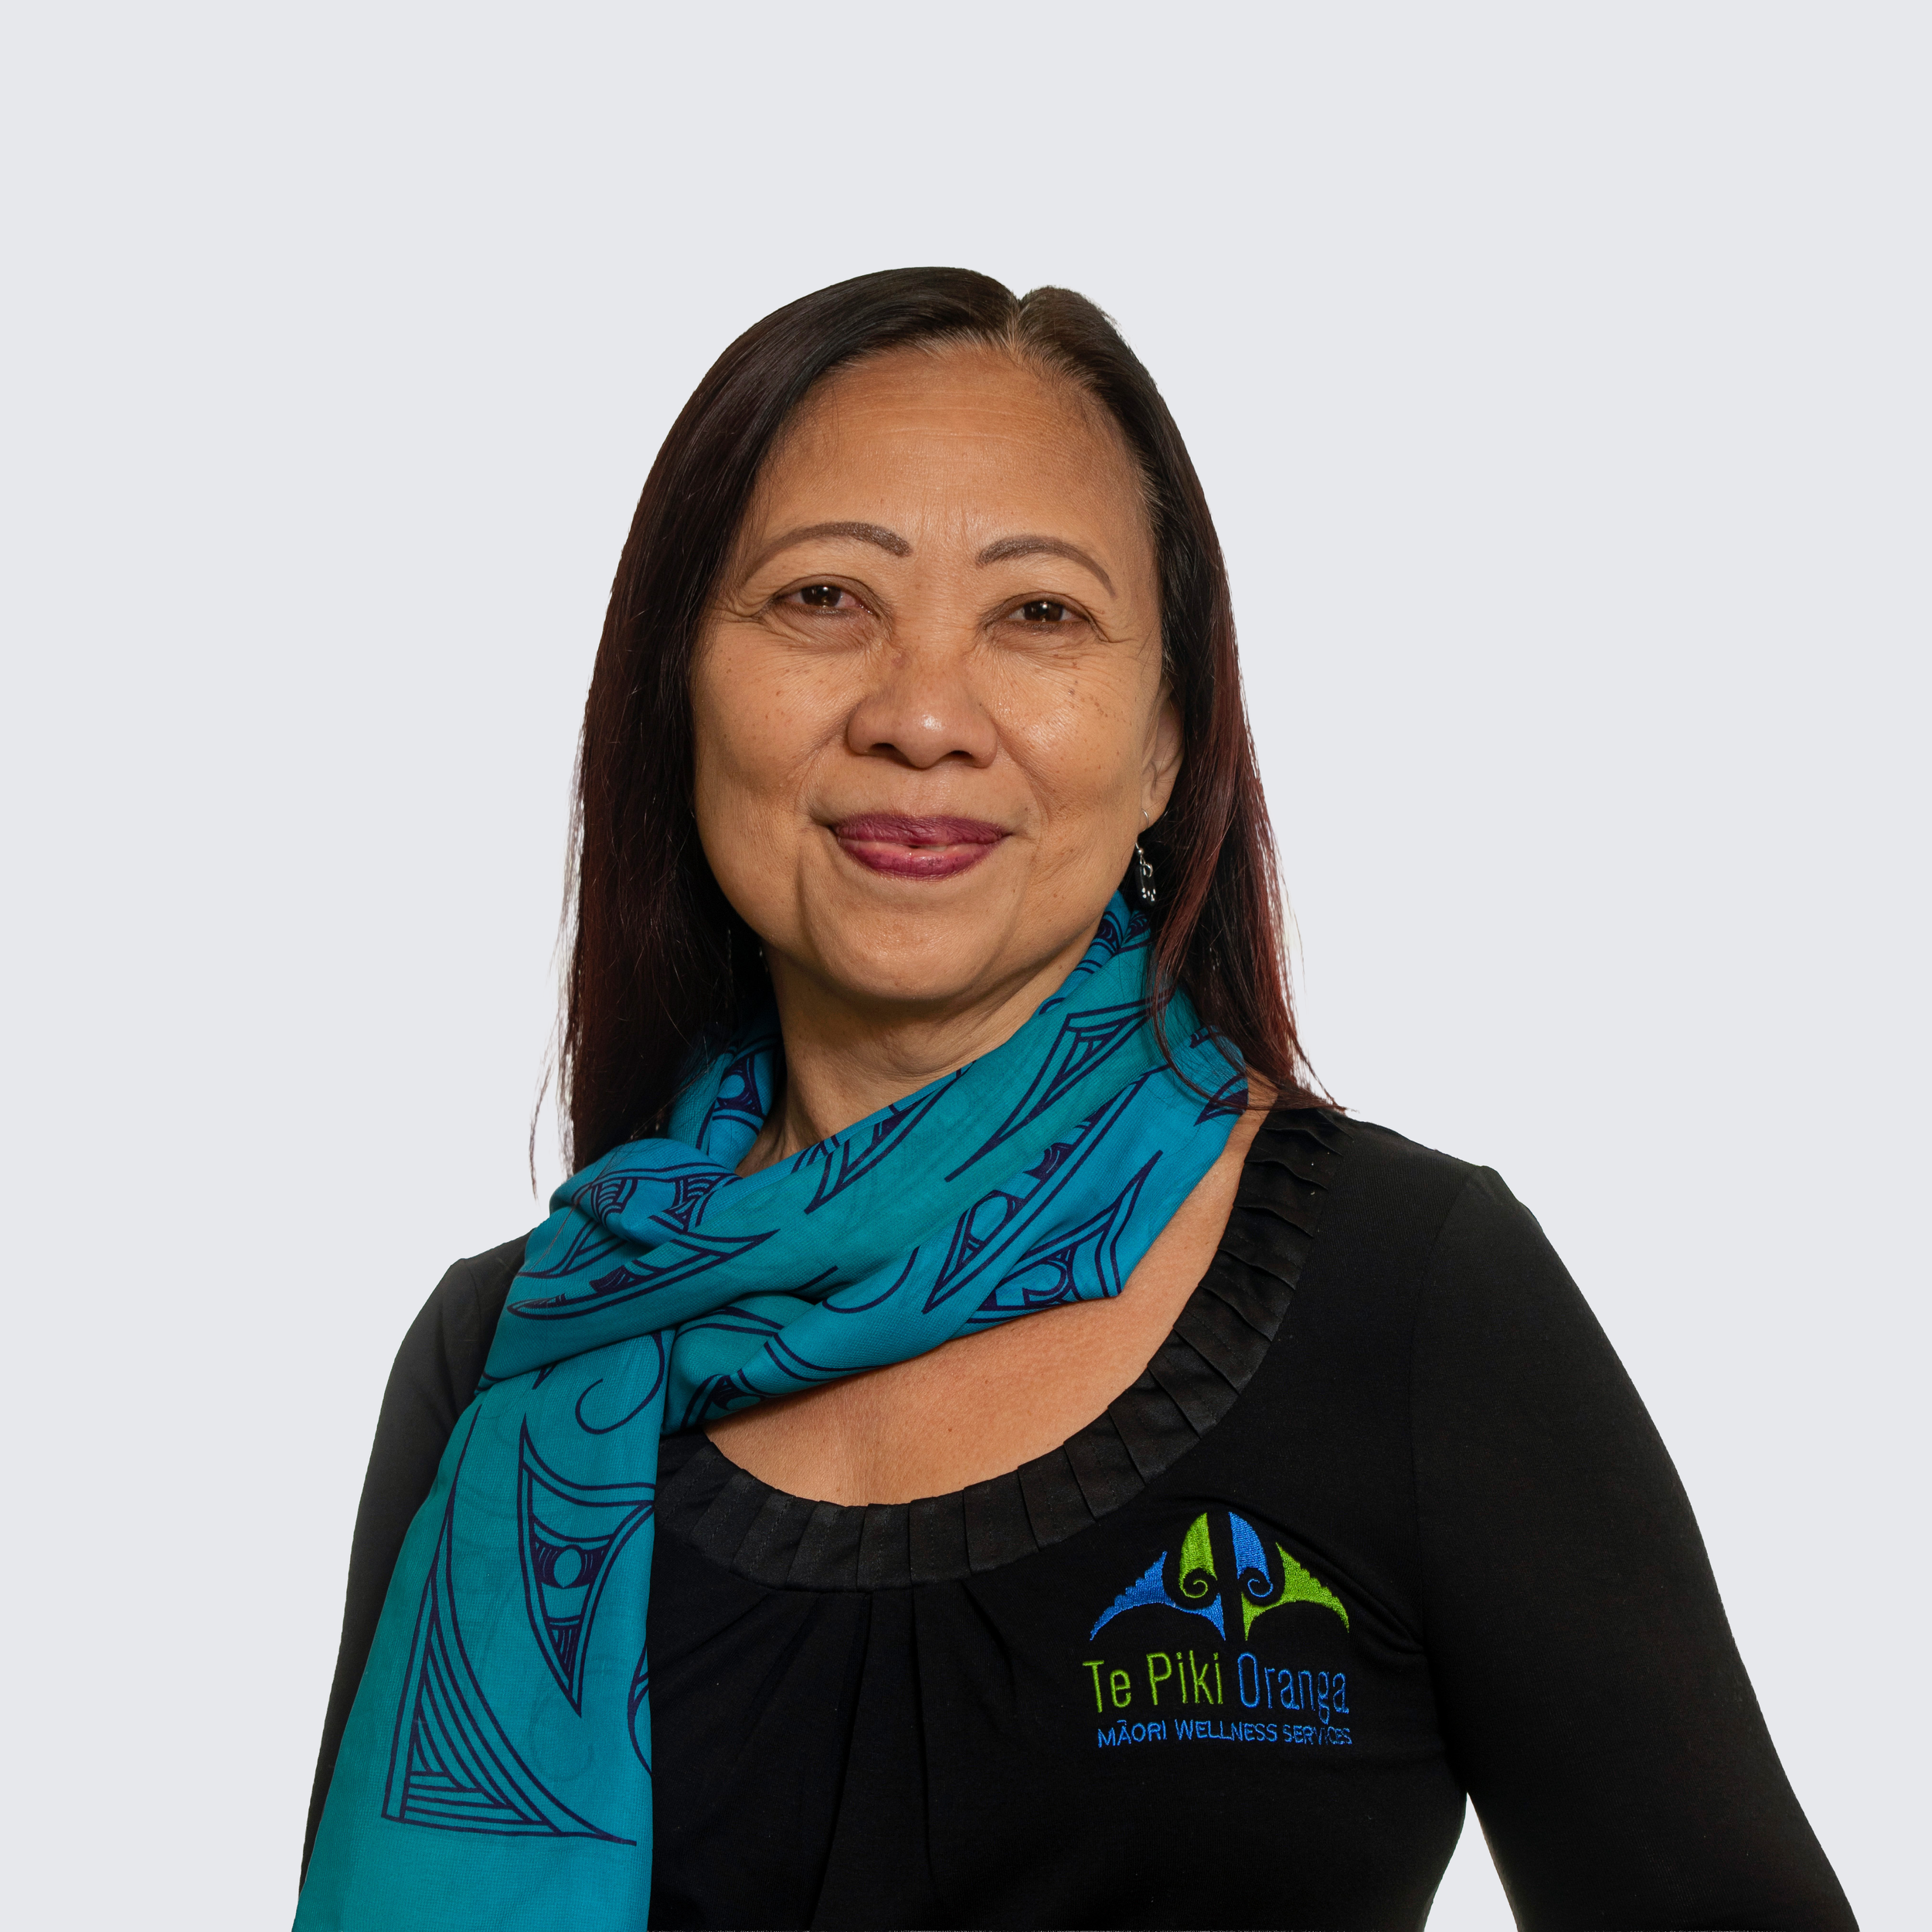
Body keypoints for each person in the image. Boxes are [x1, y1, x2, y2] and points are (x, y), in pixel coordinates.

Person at [295, 268, 1855, 1931]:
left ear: (1170, 737)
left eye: (1036, 614)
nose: (917, 714)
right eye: (822, 597)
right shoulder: (514, 1358)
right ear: (679, 688)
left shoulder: (1413, 1299)